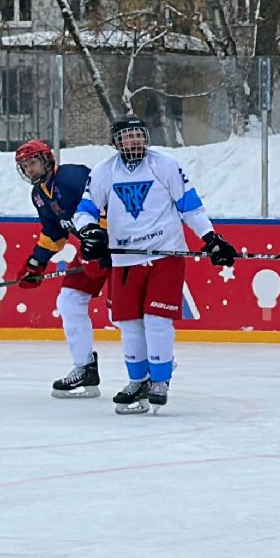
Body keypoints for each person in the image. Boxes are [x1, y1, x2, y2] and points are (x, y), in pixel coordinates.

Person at [72, 114, 237, 415]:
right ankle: (138, 380)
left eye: (138, 134)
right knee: (130, 323)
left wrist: (211, 238)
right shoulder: (103, 172)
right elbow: (85, 209)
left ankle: (159, 381)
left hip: (166, 254)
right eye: (127, 136)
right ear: (116, 141)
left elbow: (190, 206)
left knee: (157, 319)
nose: (134, 141)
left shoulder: (165, 165)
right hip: (124, 259)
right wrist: (89, 231)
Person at [12, 139, 111, 398]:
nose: (29, 170)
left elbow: (107, 202)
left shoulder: (71, 176)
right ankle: (85, 369)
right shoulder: (39, 196)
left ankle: (156, 366)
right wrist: (37, 262)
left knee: (124, 312)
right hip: (91, 251)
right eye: (24, 166)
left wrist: (102, 240)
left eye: (32, 162)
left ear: (47, 160)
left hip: (120, 245)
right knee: (69, 300)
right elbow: (55, 232)